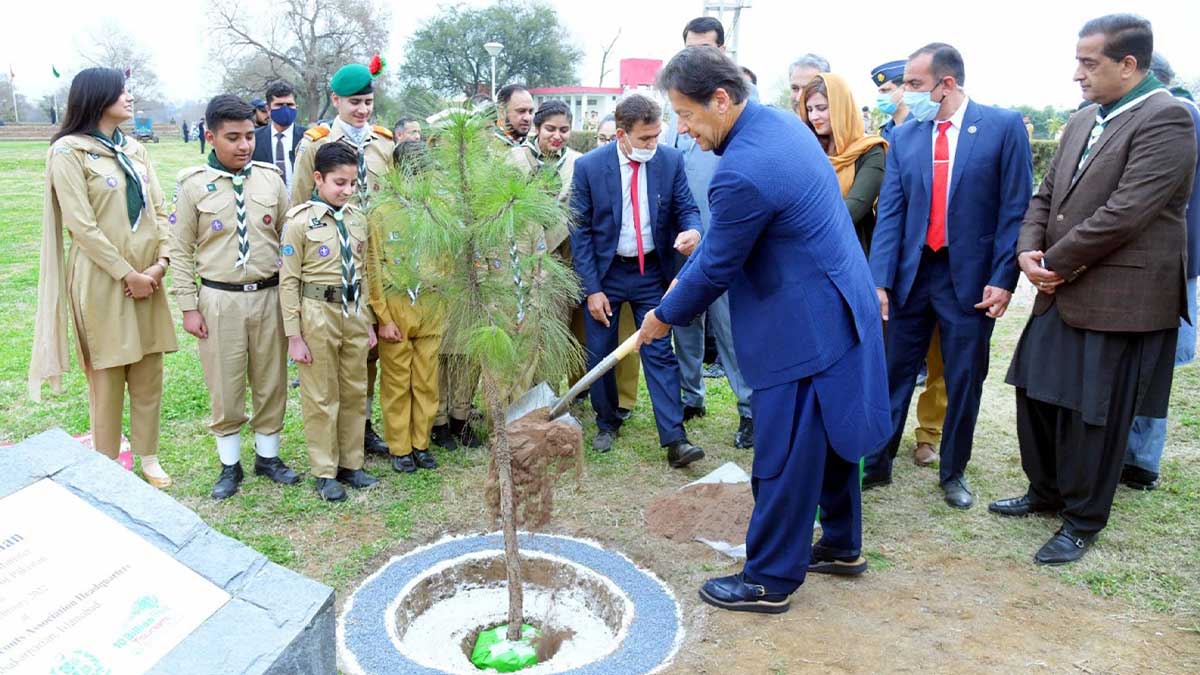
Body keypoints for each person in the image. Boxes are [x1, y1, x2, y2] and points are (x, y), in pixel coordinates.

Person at [643, 46, 890, 613]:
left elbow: (714, 268)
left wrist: (662, 317)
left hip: (801, 330)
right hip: (839, 304)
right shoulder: (780, 123)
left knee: (782, 457)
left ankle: (769, 580)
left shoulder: (741, 171)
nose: (683, 129)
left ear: (722, 99)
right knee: (832, 443)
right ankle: (842, 546)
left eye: (686, 113)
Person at [992, 14, 1195, 564]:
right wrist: (1027, 252)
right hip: (1061, 285)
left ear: (1129, 65)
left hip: (1120, 299)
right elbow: (1046, 194)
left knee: (1094, 415)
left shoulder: (1167, 118)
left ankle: (1082, 520)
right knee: (1036, 393)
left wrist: (1054, 261)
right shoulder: (1085, 119)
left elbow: (1127, 212)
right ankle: (1046, 491)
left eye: (1089, 63)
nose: (1077, 74)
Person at [865, 43, 1033, 509]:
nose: (907, 93)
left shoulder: (1001, 127)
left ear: (948, 84)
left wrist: (1003, 278)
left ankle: (953, 471)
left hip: (971, 280)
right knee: (893, 372)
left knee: (963, 377)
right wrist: (880, 280)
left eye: (916, 85)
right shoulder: (906, 136)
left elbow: (1014, 209)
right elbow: (892, 214)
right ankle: (876, 463)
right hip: (912, 276)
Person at [30, 67, 178, 488]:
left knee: (149, 371)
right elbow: (81, 226)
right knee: (109, 376)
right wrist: (126, 274)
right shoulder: (69, 152)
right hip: (103, 281)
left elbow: (160, 209)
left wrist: (160, 264)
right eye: (122, 92)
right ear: (98, 98)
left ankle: (148, 457)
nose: (130, 98)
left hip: (150, 277)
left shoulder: (134, 148)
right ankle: (108, 464)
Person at [170, 94, 299, 499]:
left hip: (268, 295)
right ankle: (230, 464)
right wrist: (189, 307)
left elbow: (288, 241)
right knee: (225, 385)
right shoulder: (192, 186)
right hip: (219, 298)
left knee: (271, 379)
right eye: (232, 138)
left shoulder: (269, 178)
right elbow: (179, 249)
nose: (244, 145)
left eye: (248, 136)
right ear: (210, 136)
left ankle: (268, 456)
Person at [570, 93, 705, 467]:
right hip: (607, 273)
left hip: (651, 274)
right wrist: (593, 289)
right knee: (600, 350)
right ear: (620, 135)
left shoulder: (670, 161)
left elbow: (687, 209)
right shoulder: (589, 167)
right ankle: (606, 421)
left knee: (659, 350)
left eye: (656, 136)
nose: (652, 145)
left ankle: (676, 439)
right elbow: (580, 233)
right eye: (644, 138)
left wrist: (693, 230)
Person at [292, 60, 396, 458]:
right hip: (334, 258)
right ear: (335, 100)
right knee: (338, 352)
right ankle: (335, 432)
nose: (363, 110)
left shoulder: (384, 143)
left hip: (380, 259)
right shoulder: (316, 143)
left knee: (368, 346)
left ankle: (363, 425)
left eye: (368, 102)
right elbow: (300, 201)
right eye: (354, 102)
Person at [668, 17, 757, 449]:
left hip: (726, 241)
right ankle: (691, 395)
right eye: (689, 48)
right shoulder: (679, 111)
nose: (696, 56)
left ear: (724, 51)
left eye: (705, 48)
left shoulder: (741, 107)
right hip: (685, 238)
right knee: (685, 322)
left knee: (730, 329)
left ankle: (749, 409)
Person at [280, 142, 381, 501]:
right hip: (317, 313)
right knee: (321, 395)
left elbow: (365, 273)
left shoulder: (356, 218)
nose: (347, 190)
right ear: (318, 178)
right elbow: (288, 281)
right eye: (339, 182)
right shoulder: (298, 222)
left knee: (354, 390)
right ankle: (325, 471)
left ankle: (351, 464)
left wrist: (368, 322)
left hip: (353, 312)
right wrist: (294, 336)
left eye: (352, 183)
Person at [1120, 52, 1200, 491]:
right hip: (1173, 260)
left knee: (1154, 363)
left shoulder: (1174, 117)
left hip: (1165, 262)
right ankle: (1138, 459)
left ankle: (1140, 460)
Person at [873, 59, 945, 466]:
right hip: (900, 264)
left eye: (889, 91)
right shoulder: (884, 136)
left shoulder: (933, 131)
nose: (883, 98)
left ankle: (929, 433)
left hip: (939, 259)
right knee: (895, 360)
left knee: (941, 360)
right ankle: (881, 442)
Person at [369, 140, 443, 474]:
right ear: (397, 173)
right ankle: (399, 447)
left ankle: (421, 443)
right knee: (397, 382)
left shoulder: (437, 211)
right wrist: (382, 317)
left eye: (423, 174)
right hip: (396, 309)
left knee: (427, 379)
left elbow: (448, 262)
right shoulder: (382, 214)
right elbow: (373, 268)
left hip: (430, 307)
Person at [796, 73, 888, 255]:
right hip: (806, 254)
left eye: (821, 108)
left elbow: (854, 207)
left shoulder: (870, 150)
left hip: (850, 252)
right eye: (809, 109)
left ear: (841, 108)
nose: (814, 116)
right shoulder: (807, 149)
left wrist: (799, 226)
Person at [593, 114, 641, 418]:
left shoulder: (635, 167)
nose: (608, 144)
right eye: (602, 138)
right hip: (591, 267)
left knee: (626, 333)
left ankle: (624, 399)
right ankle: (591, 393)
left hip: (627, 265)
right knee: (592, 336)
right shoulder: (587, 167)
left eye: (613, 138)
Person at [252, 80, 307, 193]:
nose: (285, 109)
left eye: (290, 105)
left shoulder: (308, 138)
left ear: (296, 106)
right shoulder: (254, 139)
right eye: (279, 105)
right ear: (268, 109)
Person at [872, 60, 912, 144]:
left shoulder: (924, 126)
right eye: (880, 92)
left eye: (885, 90)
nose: (881, 97)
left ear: (904, 89)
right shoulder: (883, 132)